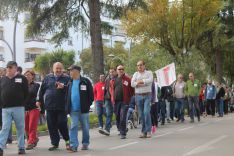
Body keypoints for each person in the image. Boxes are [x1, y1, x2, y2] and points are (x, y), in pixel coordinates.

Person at [37, 62, 70, 151]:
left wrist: (64, 87)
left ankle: (67, 140)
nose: (58, 70)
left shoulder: (67, 78)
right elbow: (41, 90)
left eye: (60, 68)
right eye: (57, 68)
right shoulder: (47, 78)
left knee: (62, 123)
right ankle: (55, 143)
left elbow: (70, 90)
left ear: (62, 69)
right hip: (49, 106)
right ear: (53, 69)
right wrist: (39, 100)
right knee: (51, 126)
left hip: (62, 106)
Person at [0, 61, 29, 155]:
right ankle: (0, 147)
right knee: (5, 128)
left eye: (10, 67)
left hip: (19, 107)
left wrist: (22, 103)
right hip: (5, 108)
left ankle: (21, 147)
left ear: (15, 68)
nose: (8, 69)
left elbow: (26, 93)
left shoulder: (22, 78)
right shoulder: (2, 79)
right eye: (7, 67)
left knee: (20, 128)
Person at [66, 65, 94, 152]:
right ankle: (73, 146)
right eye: (69, 71)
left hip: (84, 110)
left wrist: (87, 105)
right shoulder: (69, 82)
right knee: (73, 126)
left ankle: (85, 143)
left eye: (71, 71)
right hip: (73, 110)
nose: (70, 72)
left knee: (85, 127)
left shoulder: (85, 81)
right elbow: (67, 95)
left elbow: (91, 96)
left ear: (77, 71)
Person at [131, 60, 153, 138]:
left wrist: (139, 82)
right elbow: (132, 84)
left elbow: (150, 81)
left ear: (144, 65)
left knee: (146, 112)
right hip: (138, 96)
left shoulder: (149, 73)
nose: (139, 67)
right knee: (141, 115)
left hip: (147, 95)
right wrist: (143, 82)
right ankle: (143, 131)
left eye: (140, 65)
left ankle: (149, 130)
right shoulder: (135, 74)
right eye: (138, 65)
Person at [114, 65, 133, 139]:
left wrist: (129, 98)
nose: (121, 70)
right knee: (117, 117)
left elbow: (132, 90)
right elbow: (111, 89)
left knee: (123, 117)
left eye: (122, 69)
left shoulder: (128, 79)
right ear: (117, 70)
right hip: (116, 102)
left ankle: (123, 133)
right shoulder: (113, 79)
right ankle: (121, 129)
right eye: (119, 69)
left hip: (124, 102)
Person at [24, 70, 41, 150]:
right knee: (26, 127)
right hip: (24, 109)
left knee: (32, 126)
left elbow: (39, 96)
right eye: (25, 75)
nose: (26, 76)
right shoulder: (22, 86)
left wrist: (39, 102)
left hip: (34, 108)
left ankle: (30, 142)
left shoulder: (36, 85)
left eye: (28, 75)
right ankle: (35, 139)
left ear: (32, 76)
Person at [102, 68, 117, 136]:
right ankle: (107, 129)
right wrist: (104, 101)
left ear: (115, 72)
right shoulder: (107, 79)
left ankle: (121, 128)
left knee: (118, 113)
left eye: (112, 72)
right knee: (109, 113)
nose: (111, 73)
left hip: (116, 99)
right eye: (110, 72)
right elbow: (105, 90)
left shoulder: (118, 79)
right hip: (108, 98)